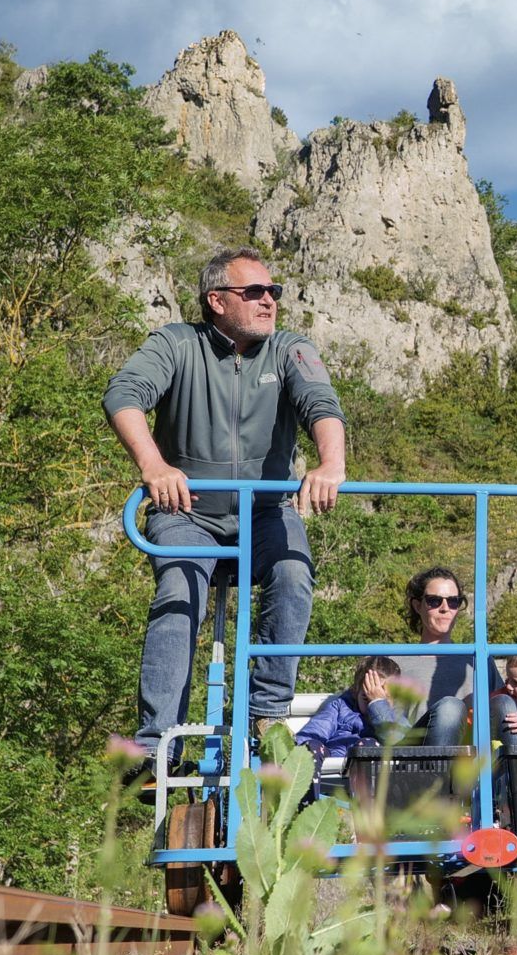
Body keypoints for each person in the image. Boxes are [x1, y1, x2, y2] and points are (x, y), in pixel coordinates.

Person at [105, 247, 346, 765]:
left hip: (264, 511)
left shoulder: (289, 350)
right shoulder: (176, 344)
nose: (269, 301)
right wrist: (154, 467)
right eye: (254, 292)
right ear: (216, 300)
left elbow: (321, 404)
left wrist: (330, 465)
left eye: (273, 292)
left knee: (294, 572)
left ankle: (269, 714)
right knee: (178, 589)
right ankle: (156, 746)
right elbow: (124, 395)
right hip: (187, 510)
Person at [385, 565, 480, 749]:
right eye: (434, 601)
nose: (445, 608)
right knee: (451, 708)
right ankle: (438, 775)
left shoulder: (477, 659)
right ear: (418, 605)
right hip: (416, 761)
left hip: (471, 761)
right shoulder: (394, 661)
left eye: (453, 601)